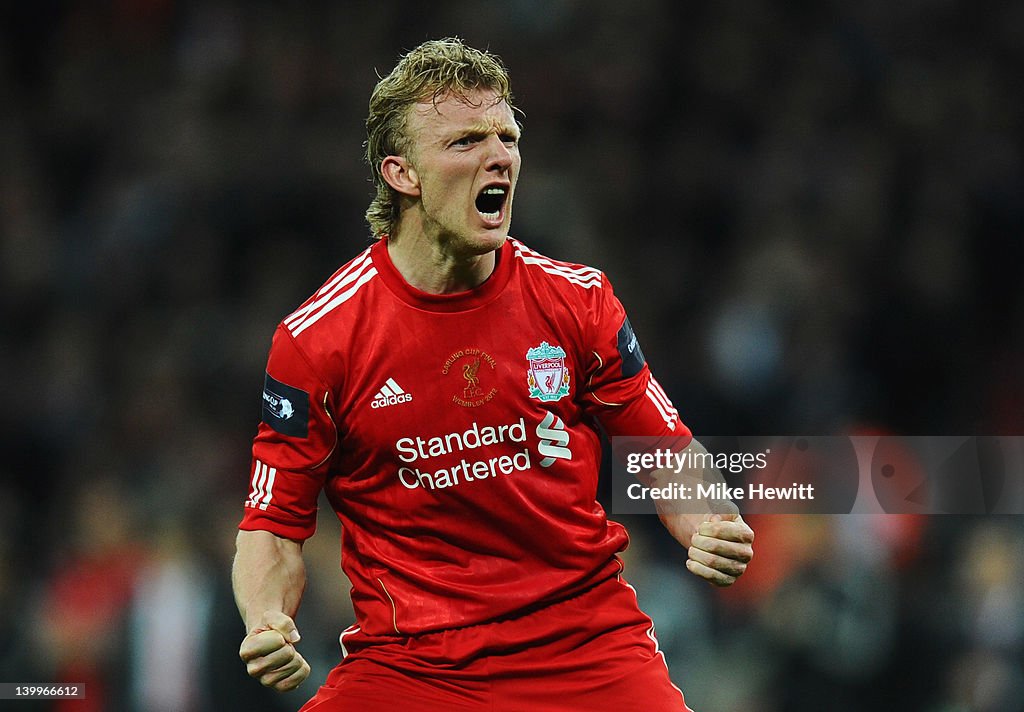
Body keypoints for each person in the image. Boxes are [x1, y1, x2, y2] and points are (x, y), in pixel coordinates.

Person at [232, 37, 754, 712]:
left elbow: (666, 452)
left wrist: (711, 521)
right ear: (402, 173)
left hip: (585, 649)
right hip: (414, 669)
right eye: (465, 141)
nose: (499, 155)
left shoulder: (577, 299)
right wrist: (266, 619)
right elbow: (272, 524)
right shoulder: (318, 339)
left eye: (506, 136)